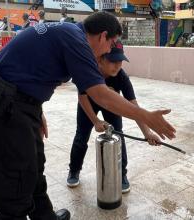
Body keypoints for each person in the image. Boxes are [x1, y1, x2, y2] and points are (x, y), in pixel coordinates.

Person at [0, 11, 175, 220]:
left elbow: (28, 70)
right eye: (111, 44)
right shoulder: (76, 40)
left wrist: (35, 109)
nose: (109, 50)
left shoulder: (68, 33)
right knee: (12, 182)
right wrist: (148, 117)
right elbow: (100, 94)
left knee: (33, 167)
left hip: (18, 104)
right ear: (103, 36)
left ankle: (45, 217)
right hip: (2, 107)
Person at [67, 40, 161, 193]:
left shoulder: (121, 77)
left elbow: (134, 107)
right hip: (88, 104)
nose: (118, 65)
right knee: (81, 136)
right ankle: (74, 170)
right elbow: (82, 96)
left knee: (118, 135)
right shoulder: (88, 70)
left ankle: (122, 174)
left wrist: (147, 132)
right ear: (100, 59)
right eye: (113, 61)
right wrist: (96, 121)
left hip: (111, 106)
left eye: (120, 61)